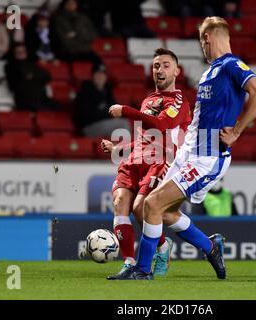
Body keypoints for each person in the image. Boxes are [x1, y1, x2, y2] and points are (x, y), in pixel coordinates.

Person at [107, 16, 256, 280]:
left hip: (207, 156)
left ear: (207, 38)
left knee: (153, 203)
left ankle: (143, 269)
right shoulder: (210, 71)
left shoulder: (231, 65)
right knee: (164, 211)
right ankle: (210, 246)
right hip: (188, 153)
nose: (201, 47)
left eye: (201, 41)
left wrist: (237, 130)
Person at [96, 48, 192, 279]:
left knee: (140, 208)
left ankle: (162, 246)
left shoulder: (179, 100)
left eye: (166, 65)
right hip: (136, 159)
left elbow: (160, 126)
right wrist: (120, 148)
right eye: (156, 65)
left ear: (177, 71)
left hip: (161, 161)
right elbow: (144, 138)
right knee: (120, 202)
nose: (160, 69)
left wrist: (125, 111)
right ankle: (129, 262)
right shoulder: (148, 99)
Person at [73, 63, 130, 137]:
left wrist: (103, 112)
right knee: (123, 124)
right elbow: (86, 116)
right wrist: (106, 113)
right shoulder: (85, 91)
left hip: (105, 123)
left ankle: (119, 148)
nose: (100, 77)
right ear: (93, 76)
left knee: (127, 124)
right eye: (98, 74)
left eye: (103, 74)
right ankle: (128, 148)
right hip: (89, 127)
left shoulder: (107, 90)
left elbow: (116, 110)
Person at [4, 43, 59, 111]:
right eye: (18, 52)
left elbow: (47, 76)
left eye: (23, 52)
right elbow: (20, 79)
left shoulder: (31, 64)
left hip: (40, 97)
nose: (21, 54)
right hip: (25, 99)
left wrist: (32, 76)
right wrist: (35, 77)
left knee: (57, 107)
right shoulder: (10, 66)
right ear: (13, 53)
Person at [52, 0, 102, 66]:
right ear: (64, 5)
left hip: (86, 50)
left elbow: (94, 36)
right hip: (69, 52)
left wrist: (77, 34)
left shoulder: (84, 18)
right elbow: (63, 40)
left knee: (99, 63)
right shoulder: (58, 19)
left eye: (73, 3)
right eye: (69, 3)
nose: (71, 5)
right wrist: (82, 37)